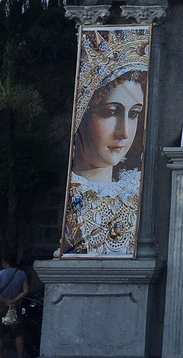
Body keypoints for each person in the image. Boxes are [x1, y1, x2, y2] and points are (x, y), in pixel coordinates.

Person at [61, 28, 149, 256]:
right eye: (110, 113)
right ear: (83, 115)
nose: (124, 133)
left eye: (133, 114)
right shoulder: (70, 195)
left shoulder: (136, 189)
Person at [0, 255, 28, 358]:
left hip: (0, 305)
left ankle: (1, 356)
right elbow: (25, 291)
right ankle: (20, 355)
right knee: (18, 332)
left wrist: (5, 300)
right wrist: (14, 300)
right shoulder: (22, 274)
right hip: (16, 305)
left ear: (5, 262)